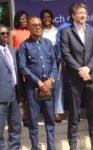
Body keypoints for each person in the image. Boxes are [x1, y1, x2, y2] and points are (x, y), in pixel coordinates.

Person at [60, 3, 93, 150]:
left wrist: (88, 68)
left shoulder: (92, 31)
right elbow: (65, 53)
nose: (83, 15)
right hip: (75, 77)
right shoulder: (66, 31)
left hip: (92, 76)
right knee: (74, 113)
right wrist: (80, 69)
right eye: (80, 12)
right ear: (73, 15)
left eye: (85, 13)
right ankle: (72, 144)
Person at [18, 17, 57, 150]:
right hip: (32, 89)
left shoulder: (48, 43)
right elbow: (23, 67)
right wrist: (38, 81)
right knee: (33, 122)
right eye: (34, 25)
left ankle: (52, 147)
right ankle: (35, 147)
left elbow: (54, 64)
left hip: (48, 87)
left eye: (39, 25)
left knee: (50, 121)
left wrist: (51, 79)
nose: (38, 27)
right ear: (28, 27)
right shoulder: (24, 46)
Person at [40, 9, 64, 123]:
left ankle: (58, 112)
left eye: (48, 17)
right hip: (45, 62)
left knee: (58, 87)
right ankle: (48, 112)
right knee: (47, 86)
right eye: (44, 17)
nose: (46, 19)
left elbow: (61, 45)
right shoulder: (40, 32)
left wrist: (59, 57)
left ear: (52, 18)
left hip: (58, 62)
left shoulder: (57, 30)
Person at [0, 24, 21, 150]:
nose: (5, 36)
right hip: (1, 97)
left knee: (15, 128)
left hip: (14, 95)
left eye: (7, 33)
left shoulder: (13, 51)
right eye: (2, 33)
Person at [9, 10, 30, 127]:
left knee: (29, 94)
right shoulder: (13, 32)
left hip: (30, 67)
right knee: (21, 94)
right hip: (18, 66)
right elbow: (11, 51)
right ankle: (23, 117)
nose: (24, 21)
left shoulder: (29, 32)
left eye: (26, 18)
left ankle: (29, 116)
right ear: (17, 19)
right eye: (22, 18)